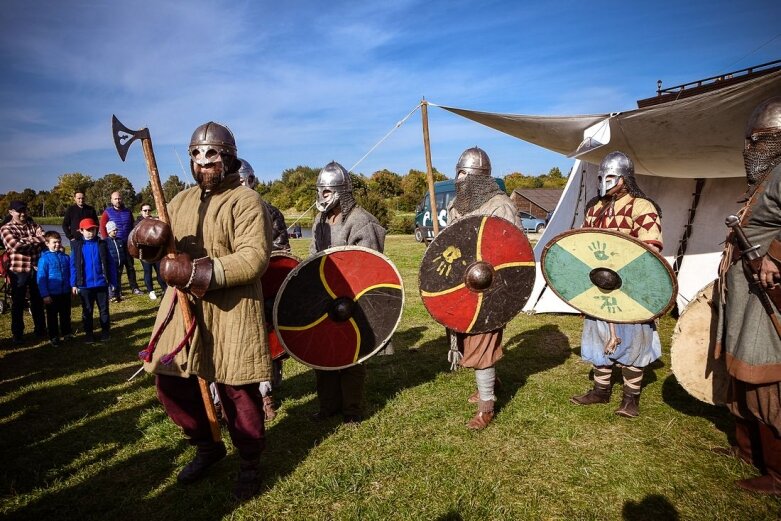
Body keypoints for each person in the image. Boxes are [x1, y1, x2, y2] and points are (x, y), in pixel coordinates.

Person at [132, 122, 272, 500]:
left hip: (231, 308)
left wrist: (196, 271)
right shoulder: (179, 201)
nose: (202, 160)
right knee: (170, 380)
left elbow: (254, 258)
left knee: (236, 388)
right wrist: (142, 240)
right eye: (196, 153)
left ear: (228, 157)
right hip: (183, 306)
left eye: (211, 153)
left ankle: (249, 462)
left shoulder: (246, 202)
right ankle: (207, 446)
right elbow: (157, 249)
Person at [716, 96, 781, 495]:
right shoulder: (766, 179)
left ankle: (777, 474)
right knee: (740, 374)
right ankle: (748, 450)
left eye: (757, 141)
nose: (749, 150)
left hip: (767, 294)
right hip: (745, 293)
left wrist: (775, 256)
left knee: (763, 378)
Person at [569, 151, 663, 418]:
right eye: (602, 177)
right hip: (599, 284)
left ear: (625, 178)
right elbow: (583, 244)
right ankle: (601, 390)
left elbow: (650, 248)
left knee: (635, 340)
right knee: (597, 337)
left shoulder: (641, 206)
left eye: (611, 177)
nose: (605, 181)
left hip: (631, 287)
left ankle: (630, 398)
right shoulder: (594, 207)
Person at [445, 147, 523, 430]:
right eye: (458, 173)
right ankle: (490, 382)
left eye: (465, 174)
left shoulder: (500, 206)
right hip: (465, 285)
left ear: (480, 178)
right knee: (468, 338)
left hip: (491, 286)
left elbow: (513, 253)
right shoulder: (459, 205)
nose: (459, 179)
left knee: (482, 342)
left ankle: (486, 407)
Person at [309, 161, 386, 425]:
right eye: (320, 191)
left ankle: (352, 409)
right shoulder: (319, 220)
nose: (322, 198)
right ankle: (328, 405)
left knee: (351, 353)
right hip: (325, 296)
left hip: (354, 298)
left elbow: (371, 266)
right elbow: (313, 257)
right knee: (323, 351)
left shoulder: (361, 221)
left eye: (328, 192)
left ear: (342, 192)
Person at [238, 157, 287, 420]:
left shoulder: (270, 212)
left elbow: (282, 255)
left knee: (266, 344)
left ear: (252, 180)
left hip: (264, 287)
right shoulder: (224, 209)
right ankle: (228, 399)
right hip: (234, 287)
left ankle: (266, 395)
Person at [0, 200, 47, 345]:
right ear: (11, 212)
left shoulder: (33, 225)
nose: (22, 214)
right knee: (18, 303)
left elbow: (45, 240)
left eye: (24, 210)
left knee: (37, 301)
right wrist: (36, 240)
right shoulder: (5, 228)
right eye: (19, 211)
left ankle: (40, 330)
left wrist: (27, 240)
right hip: (18, 271)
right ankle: (18, 333)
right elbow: (15, 246)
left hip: (36, 269)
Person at [70, 218, 116, 343]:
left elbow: (110, 263)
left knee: (104, 310)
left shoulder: (102, 244)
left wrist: (113, 282)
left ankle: (105, 332)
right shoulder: (77, 246)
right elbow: (73, 266)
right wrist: (73, 283)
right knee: (87, 311)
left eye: (93, 229)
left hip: (101, 284)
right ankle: (89, 334)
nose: (91, 232)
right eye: (88, 230)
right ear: (81, 231)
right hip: (85, 286)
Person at [99, 191, 142, 295]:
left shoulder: (127, 211)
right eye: (115, 199)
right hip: (115, 244)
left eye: (119, 198)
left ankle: (134, 287)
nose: (118, 200)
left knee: (130, 267)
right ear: (111, 200)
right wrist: (107, 241)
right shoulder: (107, 212)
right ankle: (117, 289)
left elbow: (132, 226)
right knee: (117, 268)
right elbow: (102, 228)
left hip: (127, 243)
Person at [36, 231, 73, 346]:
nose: (57, 244)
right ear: (47, 243)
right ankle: (54, 336)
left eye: (59, 242)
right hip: (52, 294)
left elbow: (70, 273)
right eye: (54, 242)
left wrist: (71, 287)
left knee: (66, 314)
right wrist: (45, 294)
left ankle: (66, 333)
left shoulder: (66, 257)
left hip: (65, 292)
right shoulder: (44, 259)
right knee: (52, 317)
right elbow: (41, 278)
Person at [134, 204, 167, 300]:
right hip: (145, 252)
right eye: (145, 210)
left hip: (156, 251)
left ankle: (164, 287)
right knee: (148, 271)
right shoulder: (137, 223)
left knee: (159, 271)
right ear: (141, 212)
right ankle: (150, 290)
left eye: (149, 210)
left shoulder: (154, 221)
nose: (147, 212)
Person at [104, 221, 126, 302]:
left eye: (116, 230)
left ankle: (119, 293)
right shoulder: (105, 242)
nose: (116, 231)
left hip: (120, 263)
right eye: (114, 230)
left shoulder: (120, 240)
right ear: (109, 231)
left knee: (119, 279)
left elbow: (122, 251)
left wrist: (123, 260)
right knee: (111, 280)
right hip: (111, 264)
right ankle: (111, 295)